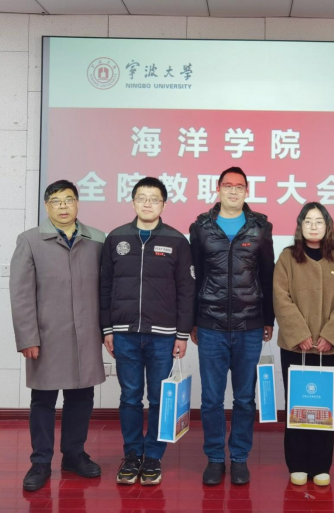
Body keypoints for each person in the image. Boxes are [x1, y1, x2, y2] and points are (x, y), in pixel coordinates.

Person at [10, 180, 106, 492]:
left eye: (68, 200)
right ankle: (40, 461)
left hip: (86, 333)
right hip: (47, 336)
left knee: (82, 397)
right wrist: (27, 337)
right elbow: (21, 294)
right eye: (55, 201)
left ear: (77, 203)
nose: (63, 206)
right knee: (43, 399)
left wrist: (106, 330)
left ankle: (74, 455)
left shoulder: (97, 240)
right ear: (46, 206)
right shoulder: (30, 241)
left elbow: (107, 290)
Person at [101, 177, 195, 486]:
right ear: (132, 202)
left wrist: (182, 334)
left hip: (163, 335)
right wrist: (107, 329)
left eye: (154, 199)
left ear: (163, 204)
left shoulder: (177, 241)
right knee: (130, 397)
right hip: (124, 332)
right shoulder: (116, 238)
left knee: (158, 397)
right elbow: (104, 287)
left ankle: (153, 456)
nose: (147, 203)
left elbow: (186, 291)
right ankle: (132, 455)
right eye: (142, 198)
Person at [189, 167, 275, 486]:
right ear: (218, 189)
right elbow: (194, 276)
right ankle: (214, 458)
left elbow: (268, 275)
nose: (234, 191)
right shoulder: (200, 227)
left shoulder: (260, 227)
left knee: (244, 398)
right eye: (228, 185)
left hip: (249, 325)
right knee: (211, 399)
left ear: (247, 191)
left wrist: (268, 319)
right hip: (210, 324)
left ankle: (239, 458)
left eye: (240, 186)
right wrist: (193, 321)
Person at [274, 202, 334, 487]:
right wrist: (299, 333)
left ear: (327, 226)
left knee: (324, 404)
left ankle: (321, 465)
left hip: (330, 348)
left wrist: (331, 334)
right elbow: (281, 297)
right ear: (300, 225)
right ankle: (297, 463)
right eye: (307, 221)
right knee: (297, 403)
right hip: (295, 347)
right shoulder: (287, 257)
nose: (313, 226)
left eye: (319, 221)